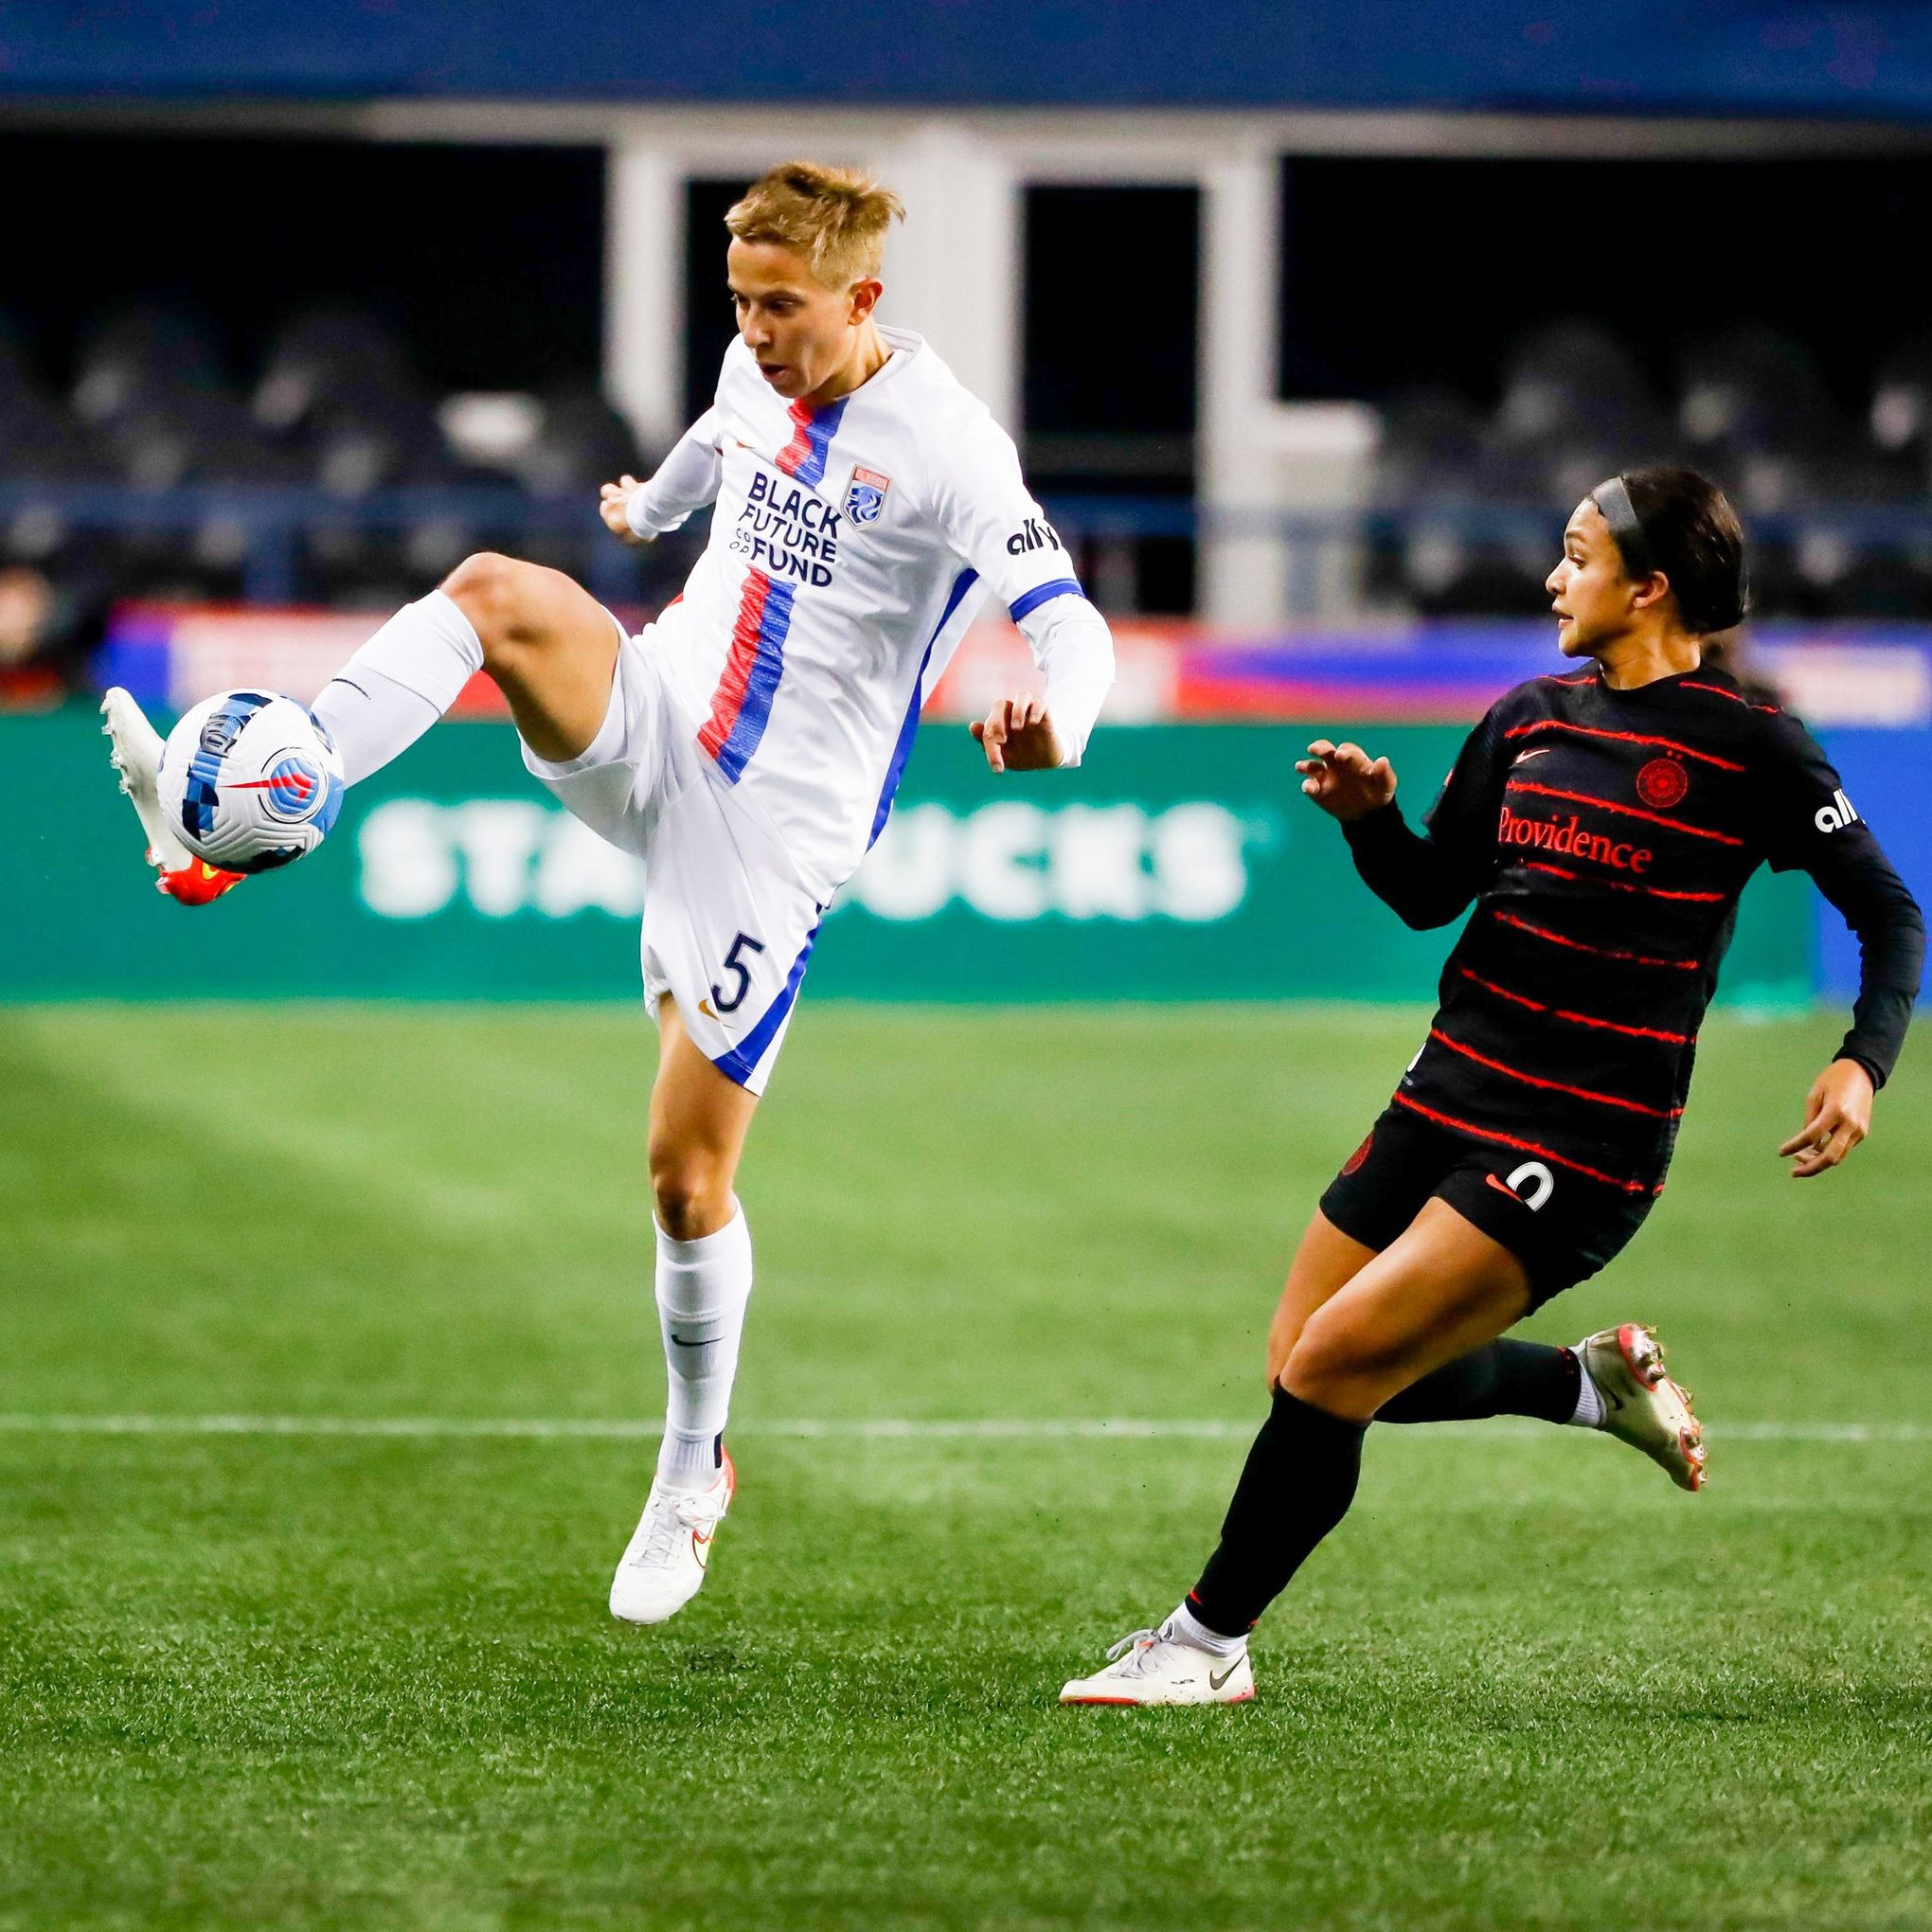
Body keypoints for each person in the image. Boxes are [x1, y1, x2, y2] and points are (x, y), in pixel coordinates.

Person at [101, 160, 1115, 1625]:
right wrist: (655, 508)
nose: (760, 331)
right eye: (743, 303)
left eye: (785, 307)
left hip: (769, 839)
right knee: (497, 590)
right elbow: (723, 434)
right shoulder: (750, 362)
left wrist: (1060, 726)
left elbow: (1061, 613)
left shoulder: (950, 444)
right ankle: (291, 778)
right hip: (656, 709)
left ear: (864, 299)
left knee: (683, 1176)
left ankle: (696, 1464)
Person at [1061, 465, 1921, 1707]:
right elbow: (1428, 894)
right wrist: (1371, 819)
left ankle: (1204, 1647)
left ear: (1652, 585)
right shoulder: (1527, 718)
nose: (1556, 576)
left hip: (1584, 1140)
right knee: (1308, 1363)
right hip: (1444, 1090)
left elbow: (1890, 915)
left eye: (1579, 553)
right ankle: (1585, 1383)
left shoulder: (1753, 746)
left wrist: (1861, 1057)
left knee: (1329, 1374)